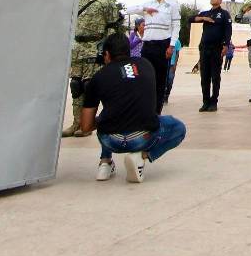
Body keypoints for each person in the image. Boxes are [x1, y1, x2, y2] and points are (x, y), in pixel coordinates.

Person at [80, 33, 186, 183]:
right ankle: (142, 156)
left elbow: (85, 127)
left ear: (107, 54)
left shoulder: (98, 77)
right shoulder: (146, 65)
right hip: (143, 138)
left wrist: (101, 120)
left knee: (106, 113)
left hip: (111, 141)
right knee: (179, 128)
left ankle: (105, 163)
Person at [64, 0, 125, 138]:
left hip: (95, 46)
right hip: (78, 47)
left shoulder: (107, 2)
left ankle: (87, 125)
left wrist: (106, 50)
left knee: (89, 86)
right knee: (76, 86)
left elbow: (112, 27)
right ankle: (76, 123)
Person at [128, 0, 179, 114]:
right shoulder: (149, 4)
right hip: (147, 46)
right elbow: (128, 10)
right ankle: (145, 109)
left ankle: (156, 112)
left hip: (162, 45)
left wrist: (171, 46)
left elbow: (176, 26)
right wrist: (144, 9)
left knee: (160, 80)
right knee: (145, 77)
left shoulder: (172, 5)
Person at [193, 0, 232, 112]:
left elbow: (228, 31)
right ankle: (205, 102)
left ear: (220, 0)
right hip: (204, 48)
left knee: (215, 76)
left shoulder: (224, 14)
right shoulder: (206, 13)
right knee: (204, 76)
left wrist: (226, 45)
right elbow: (191, 19)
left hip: (217, 49)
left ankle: (214, 101)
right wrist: (203, 18)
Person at [164, 36, 182, 105]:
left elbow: (177, 53)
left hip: (172, 64)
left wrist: (175, 64)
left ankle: (167, 95)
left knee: (170, 80)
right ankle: (162, 96)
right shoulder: (165, 39)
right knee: (163, 80)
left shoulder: (177, 41)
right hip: (164, 63)